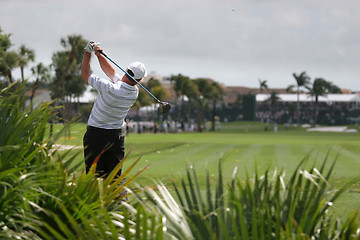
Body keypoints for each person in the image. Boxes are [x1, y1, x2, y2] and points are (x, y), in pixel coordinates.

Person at [81, 41, 147, 179]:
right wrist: (99, 55)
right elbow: (111, 73)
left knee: (94, 178)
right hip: (115, 138)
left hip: (95, 136)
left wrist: (88, 53)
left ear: (126, 70)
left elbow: (85, 75)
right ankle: (118, 201)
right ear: (139, 80)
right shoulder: (134, 92)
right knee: (114, 179)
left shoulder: (109, 88)